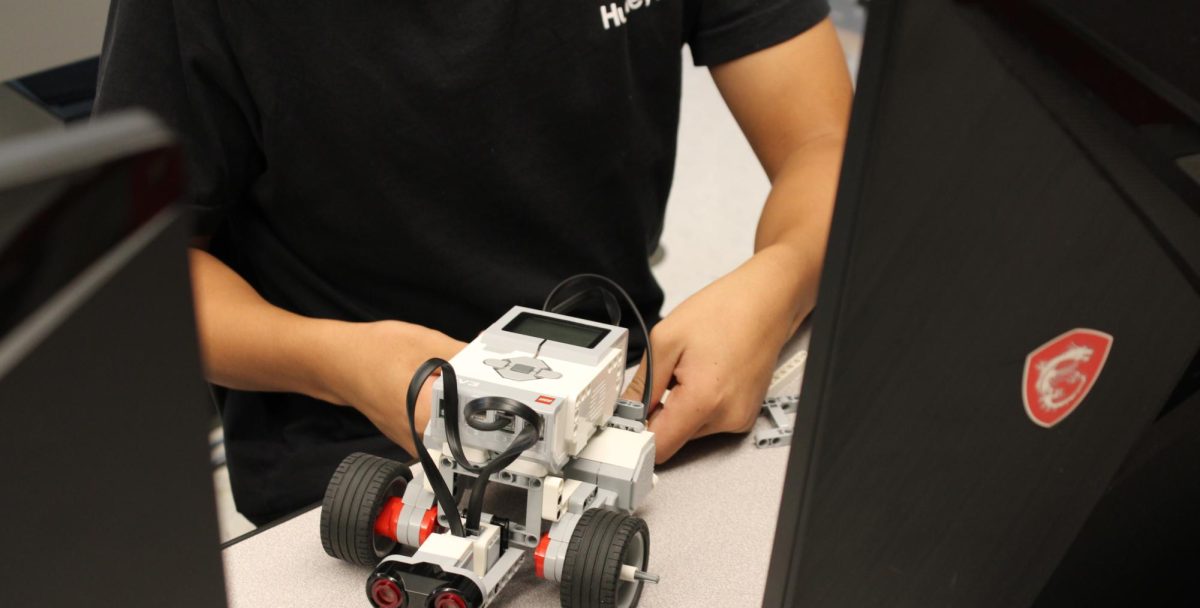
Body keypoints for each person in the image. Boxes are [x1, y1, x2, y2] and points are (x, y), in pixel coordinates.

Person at [95, 0, 852, 525]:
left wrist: (781, 280)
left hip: (624, 411)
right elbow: (134, 274)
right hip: (356, 464)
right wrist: (342, 362)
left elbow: (828, 145)